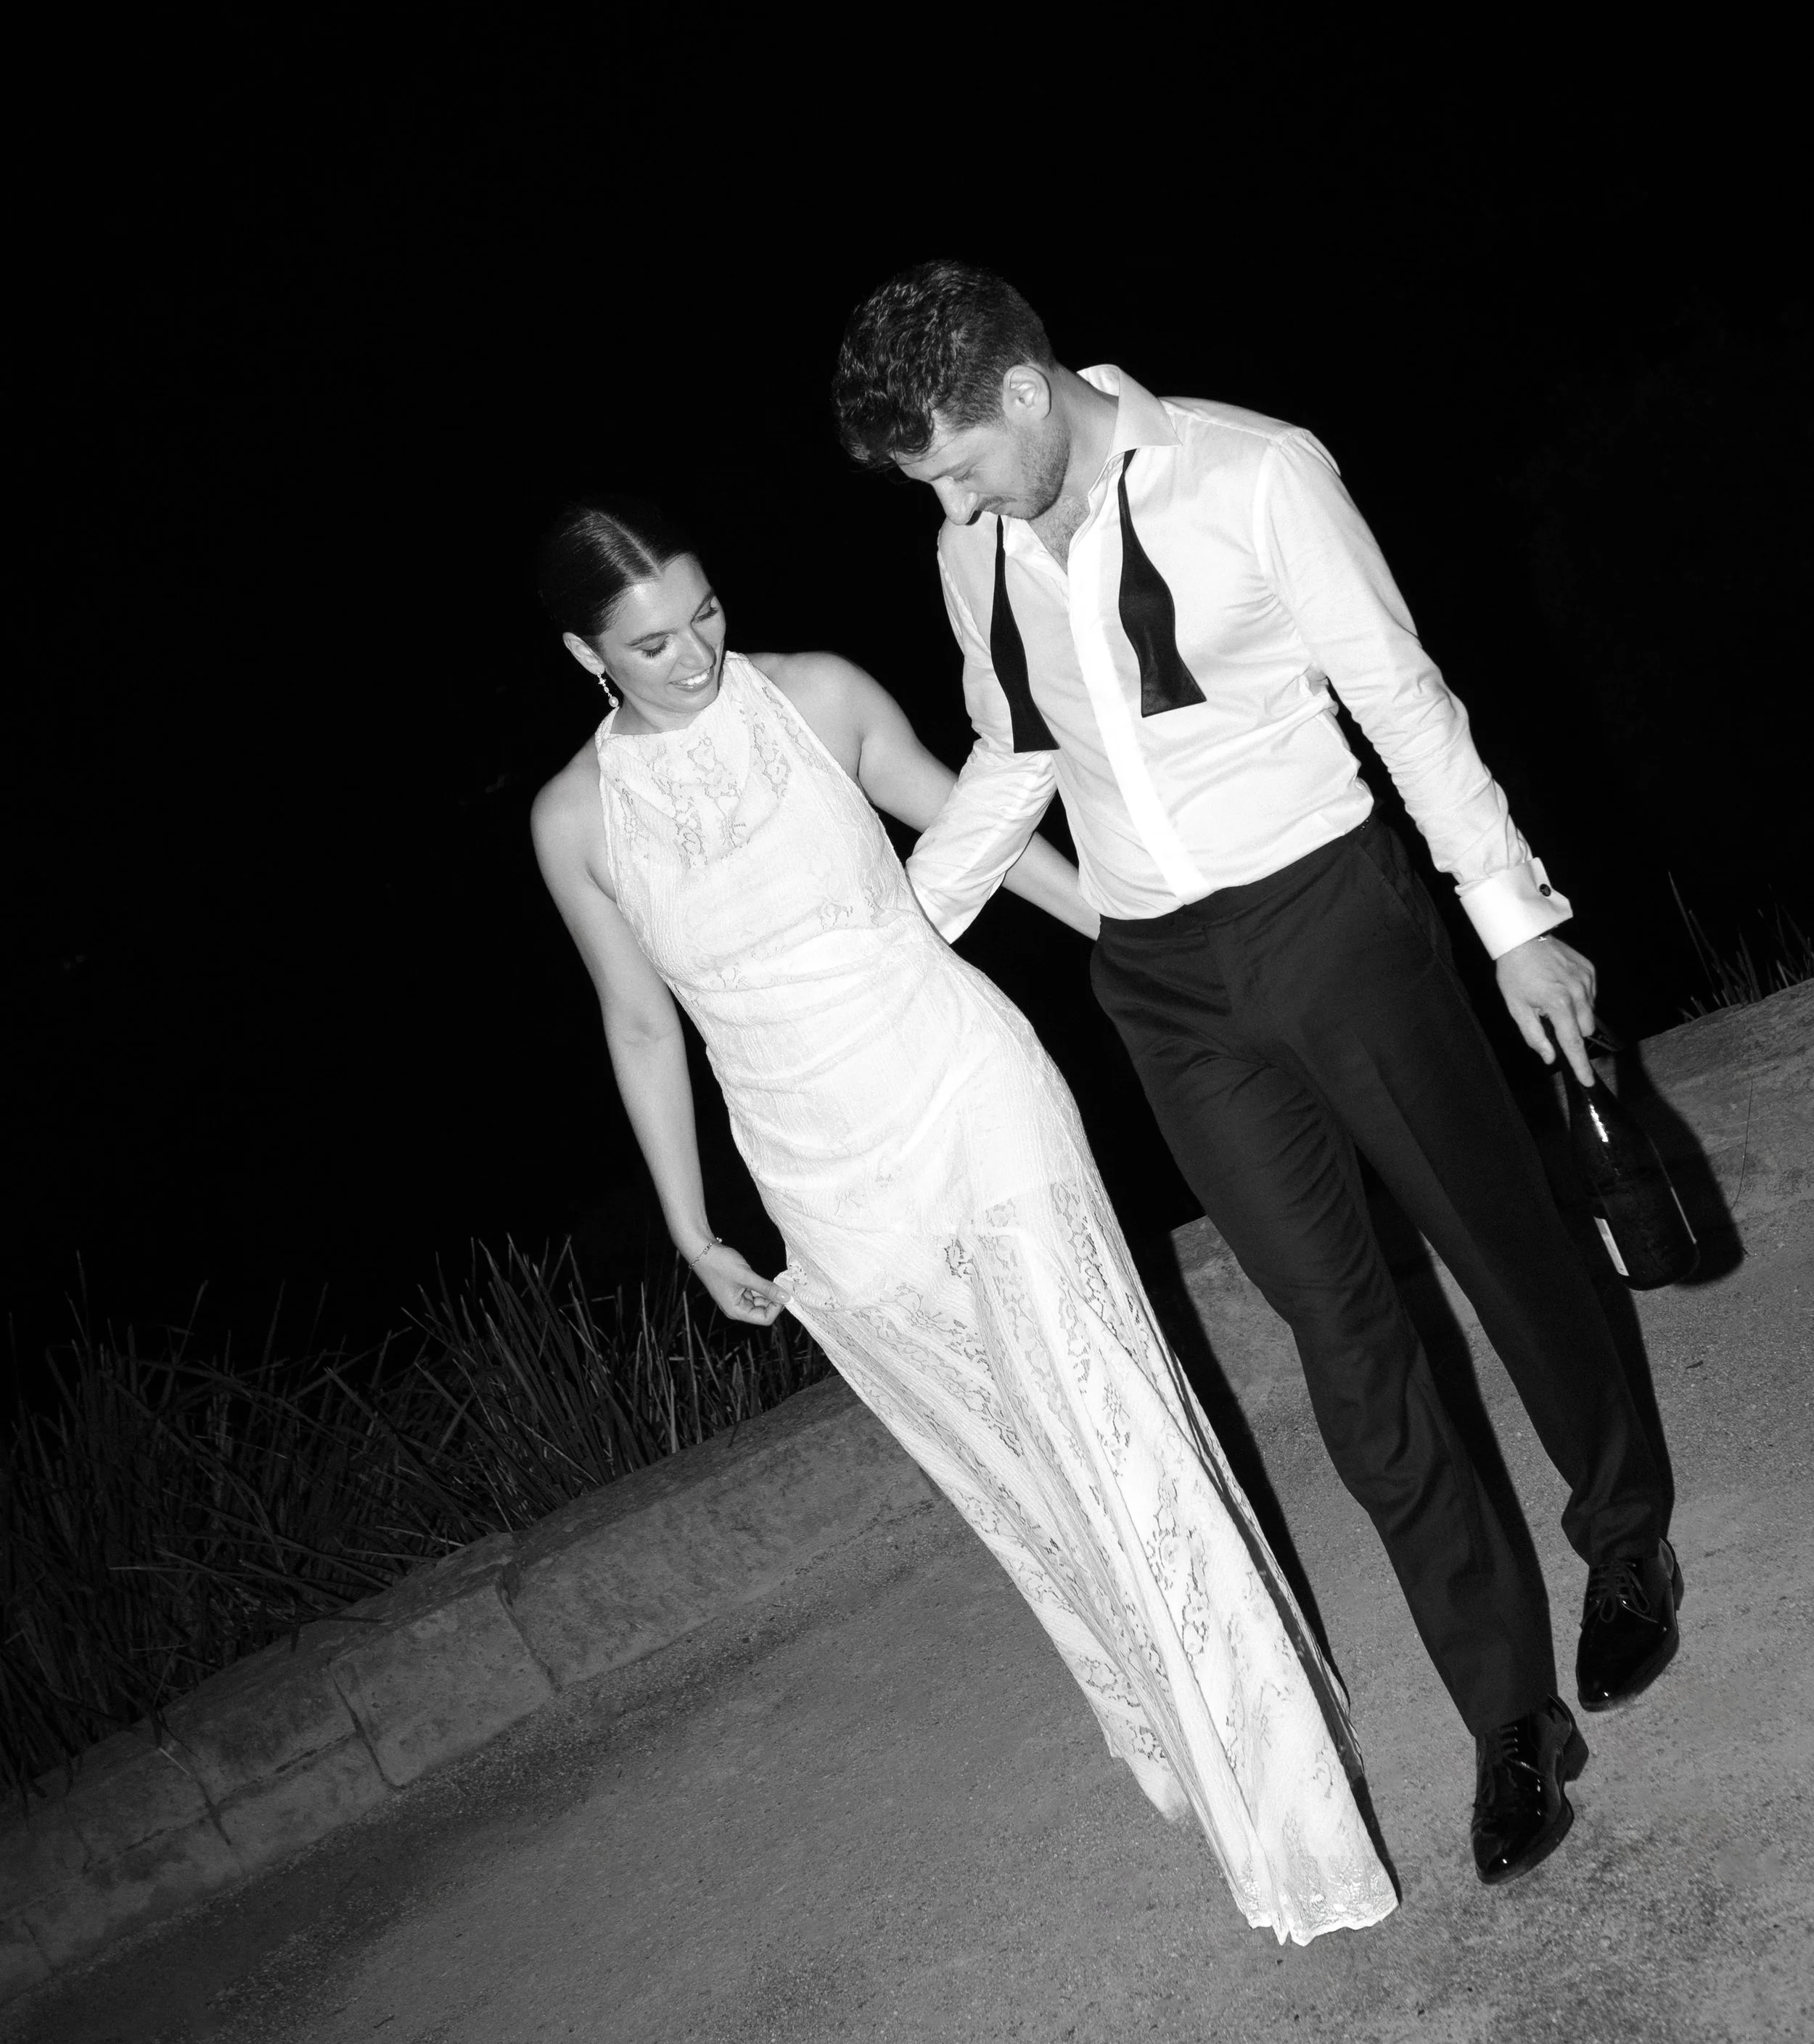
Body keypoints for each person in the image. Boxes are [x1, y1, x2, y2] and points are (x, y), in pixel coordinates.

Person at [833, 260, 1681, 1889]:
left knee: (1496, 1248)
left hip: (1331, 910)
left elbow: (1397, 696)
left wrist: (1512, 920)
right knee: (1344, 1348)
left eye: (946, 461)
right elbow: (1017, 749)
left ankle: (1621, 1530)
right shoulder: (972, 555)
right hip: (1165, 982)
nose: (937, 501)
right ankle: (1505, 1714)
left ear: (1022, 393)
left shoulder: (1254, 472)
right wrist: (901, 931)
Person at [528, 496, 1395, 1945]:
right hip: (818, 1174)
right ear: (583, 654)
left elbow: (976, 828)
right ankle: (1191, 1731)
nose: (693, 658)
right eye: (651, 644)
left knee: (1109, 1418)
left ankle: (1289, 1809)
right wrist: (692, 1230)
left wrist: (1150, 947)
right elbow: (636, 1024)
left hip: (963, 1088)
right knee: (1019, 1470)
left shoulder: (814, 695)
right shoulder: (573, 819)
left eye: (706, 616)